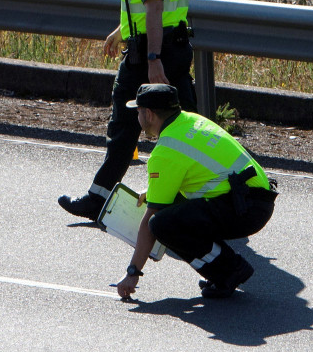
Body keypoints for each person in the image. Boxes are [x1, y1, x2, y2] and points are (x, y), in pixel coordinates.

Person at [59, 0, 197, 220]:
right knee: (185, 126)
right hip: (173, 46)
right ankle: (203, 199)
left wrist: (152, 60)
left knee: (123, 126)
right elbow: (155, 5)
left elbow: (153, 8)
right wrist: (121, 31)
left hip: (149, 54)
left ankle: (98, 199)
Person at [114, 84, 277, 300]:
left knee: (162, 224)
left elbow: (151, 221)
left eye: (138, 110)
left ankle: (228, 270)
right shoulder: (192, 120)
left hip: (244, 209)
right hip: (256, 199)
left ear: (149, 114)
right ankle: (226, 267)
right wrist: (154, 190)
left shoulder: (165, 151)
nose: (137, 114)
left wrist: (132, 272)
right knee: (174, 212)